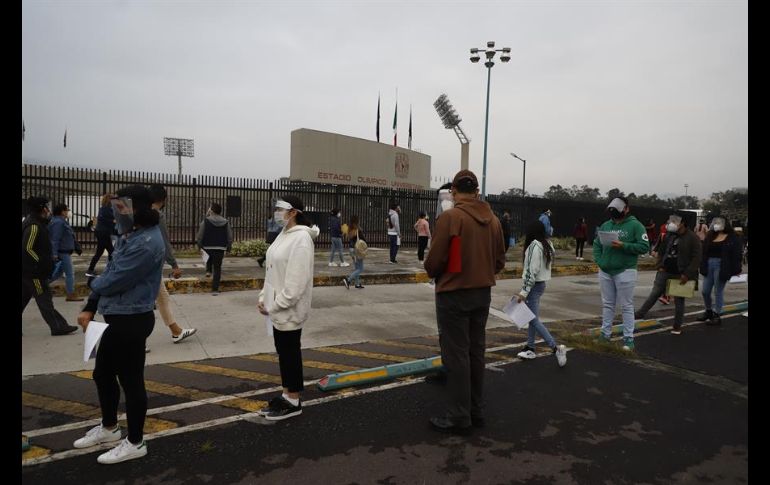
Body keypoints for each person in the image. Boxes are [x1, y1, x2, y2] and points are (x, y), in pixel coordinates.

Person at [73, 185, 165, 464]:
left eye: (121, 207)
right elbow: (111, 271)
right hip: (116, 316)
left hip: (132, 320)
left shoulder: (147, 242)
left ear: (137, 208)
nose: (116, 213)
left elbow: (113, 279)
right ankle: (110, 428)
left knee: (131, 380)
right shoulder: (129, 235)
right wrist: (90, 305)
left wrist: (91, 283)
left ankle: (135, 442)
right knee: (103, 374)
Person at [424, 169, 506, 435]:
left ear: (455, 192)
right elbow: (500, 261)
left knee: (456, 355)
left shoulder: (451, 218)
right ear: (477, 192)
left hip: (453, 295)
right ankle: (476, 410)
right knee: (475, 352)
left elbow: (433, 263)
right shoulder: (493, 221)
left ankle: (459, 416)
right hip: (482, 294)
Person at [257, 196, 319, 420]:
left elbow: (296, 283)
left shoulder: (301, 239)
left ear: (292, 212)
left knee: (290, 352)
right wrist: (264, 297)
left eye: (279, 209)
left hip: (289, 309)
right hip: (276, 308)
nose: (275, 212)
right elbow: (271, 271)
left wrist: (275, 305)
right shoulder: (284, 235)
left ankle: (293, 400)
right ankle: (287, 395)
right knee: (284, 352)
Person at [592, 197, 649, 351]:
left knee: (626, 306)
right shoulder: (606, 225)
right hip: (605, 270)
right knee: (608, 304)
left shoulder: (636, 226)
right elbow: (597, 243)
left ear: (626, 209)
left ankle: (628, 338)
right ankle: (605, 334)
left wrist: (624, 245)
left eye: (617, 210)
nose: (614, 213)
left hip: (625, 270)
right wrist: (599, 260)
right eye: (612, 210)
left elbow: (644, 247)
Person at [635, 215, 702, 335]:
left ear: (683, 224)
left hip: (680, 273)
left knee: (679, 300)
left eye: (675, 221)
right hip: (665, 270)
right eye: (671, 221)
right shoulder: (670, 236)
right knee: (655, 293)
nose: (672, 223)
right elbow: (662, 250)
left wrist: (687, 274)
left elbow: (696, 258)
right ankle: (639, 314)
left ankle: (677, 326)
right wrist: (659, 265)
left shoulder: (692, 238)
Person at [21, 196, 78, 336]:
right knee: (44, 299)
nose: (48, 209)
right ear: (41, 208)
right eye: (46, 206)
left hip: (29, 271)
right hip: (34, 273)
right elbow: (28, 248)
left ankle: (59, 325)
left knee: (24, 297)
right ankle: (58, 326)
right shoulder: (34, 226)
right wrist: (40, 263)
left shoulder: (38, 223)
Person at [148, 184, 197, 343]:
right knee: (146, 301)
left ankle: (176, 331)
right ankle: (139, 340)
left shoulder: (138, 212)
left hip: (142, 262)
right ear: (163, 199)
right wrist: (174, 264)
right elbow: (164, 241)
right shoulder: (157, 215)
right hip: (152, 264)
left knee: (162, 297)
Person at [515, 220, 567, 366]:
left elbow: (532, 271)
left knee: (533, 320)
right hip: (541, 285)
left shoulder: (534, 246)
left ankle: (555, 348)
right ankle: (530, 348)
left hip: (533, 286)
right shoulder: (547, 244)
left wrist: (523, 292)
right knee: (532, 317)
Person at [696, 218, 743, 326]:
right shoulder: (711, 235)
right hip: (709, 264)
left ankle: (717, 314)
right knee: (705, 291)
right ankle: (708, 311)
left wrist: (737, 269)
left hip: (722, 265)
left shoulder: (732, 237)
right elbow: (704, 251)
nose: (716, 225)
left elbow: (736, 255)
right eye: (715, 223)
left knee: (718, 291)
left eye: (719, 223)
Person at [48, 203, 84, 302]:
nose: (68, 212)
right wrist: (54, 254)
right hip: (62, 252)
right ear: (62, 211)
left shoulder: (61, 221)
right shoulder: (58, 223)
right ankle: (71, 294)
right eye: (67, 210)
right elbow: (55, 239)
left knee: (58, 273)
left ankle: (43, 285)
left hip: (64, 251)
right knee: (70, 273)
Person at [196, 203, 233, 295]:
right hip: (220, 247)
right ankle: (215, 289)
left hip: (207, 246)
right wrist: (228, 248)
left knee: (209, 259)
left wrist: (199, 245)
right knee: (217, 268)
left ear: (211, 211)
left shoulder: (205, 221)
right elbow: (230, 237)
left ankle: (208, 270)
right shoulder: (226, 222)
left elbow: (200, 235)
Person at [86, 194, 116, 277]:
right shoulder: (107, 210)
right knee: (111, 251)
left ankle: (90, 270)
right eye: (113, 199)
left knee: (100, 252)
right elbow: (112, 220)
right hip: (103, 233)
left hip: (101, 232)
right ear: (110, 200)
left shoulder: (104, 209)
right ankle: (110, 270)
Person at [342, 215, 365, 289]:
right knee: (360, 269)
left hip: (351, 250)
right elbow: (363, 239)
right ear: (357, 221)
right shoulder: (358, 229)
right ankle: (348, 280)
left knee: (356, 268)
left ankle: (357, 284)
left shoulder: (349, 229)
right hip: (357, 250)